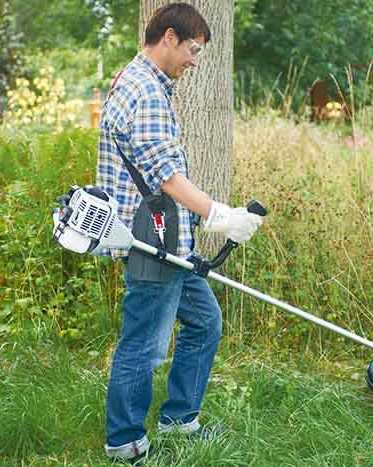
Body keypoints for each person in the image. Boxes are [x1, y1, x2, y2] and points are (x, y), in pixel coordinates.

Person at [96, 3, 263, 463]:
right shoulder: (145, 91)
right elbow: (166, 175)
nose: (194, 60)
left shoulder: (143, 80)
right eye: (192, 49)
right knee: (144, 344)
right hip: (153, 241)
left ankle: (178, 419)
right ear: (168, 37)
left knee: (205, 323)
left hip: (171, 242)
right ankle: (125, 441)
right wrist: (219, 215)